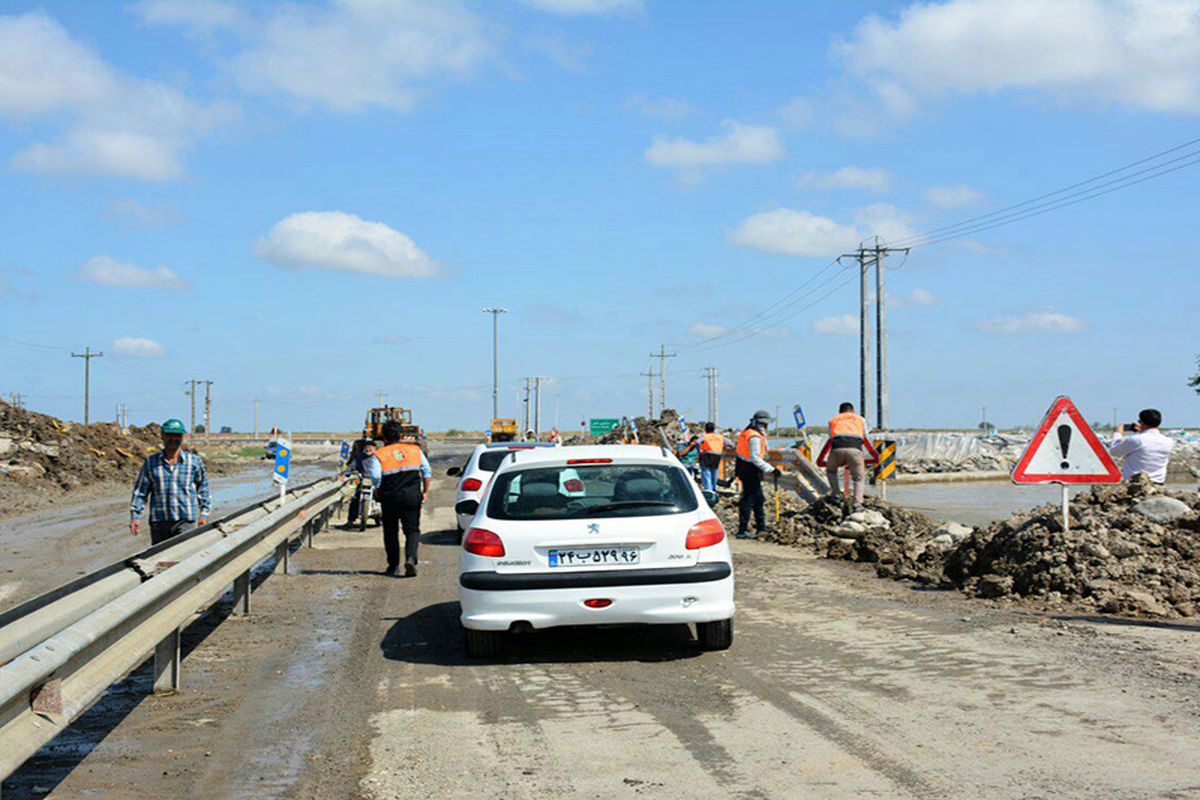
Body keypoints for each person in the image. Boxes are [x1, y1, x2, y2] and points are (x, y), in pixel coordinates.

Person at [130, 418, 211, 544]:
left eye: (177, 435)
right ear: (162, 435)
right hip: (159, 522)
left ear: (182, 437)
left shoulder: (194, 462)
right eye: (169, 435)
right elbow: (141, 491)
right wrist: (135, 516)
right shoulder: (151, 462)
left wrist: (204, 514)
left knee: (184, 556)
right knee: (160, 558)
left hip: (185, 521)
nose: (173, 439)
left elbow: (203, 488)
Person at [368, 420, 432, 577]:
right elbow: (427, 470)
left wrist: (377, 490)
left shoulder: (378, 455)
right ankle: (410, 559)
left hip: (390, 497)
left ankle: (393, 565)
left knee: (390, 531)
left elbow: (376, 476)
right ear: (401, 435)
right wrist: (425, 491)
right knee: (412, 530)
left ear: (384, 437)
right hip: (412, 496)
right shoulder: (415, 450)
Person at [735, 410, 777, 539]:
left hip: (744, 468)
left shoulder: (747, 433)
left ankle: (761, 527)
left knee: (758, 498)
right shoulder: (754, 436)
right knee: (748, 499)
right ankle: (743, 530)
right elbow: (755, 457)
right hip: (750, 470)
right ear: (762, 424)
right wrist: (772, 470)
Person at [1109, 408, 1174, 483]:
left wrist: (1117, 433)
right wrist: (1142, 432)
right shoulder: (1168, 441)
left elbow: (1114, 451)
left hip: (1135, 484)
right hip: (1158, 483)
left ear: (1141, 423)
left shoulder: (1136, 440)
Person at [826, 402, 870, 507]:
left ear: (839, 412)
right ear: (853, 411)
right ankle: (857, 503)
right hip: (855, 449)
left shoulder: (833, 420)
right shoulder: (860, 419)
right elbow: (865, 436)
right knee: (858, 478)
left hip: (837, 449)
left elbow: (831, 437)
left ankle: (836, 494)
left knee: (831, 470)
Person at [341, 439, 376, 527]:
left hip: (376, 481)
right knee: (355, 498)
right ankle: (350, 520)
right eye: (366, 447)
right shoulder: (360, 457)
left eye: (370, 447)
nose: (368, 449)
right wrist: (345, 474)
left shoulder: (378, 456)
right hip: (364, 480)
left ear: (374, 448)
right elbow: (352, 466)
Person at [698, 422, 731, 495]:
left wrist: (700, 450)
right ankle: (713, 487)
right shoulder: (720, 436)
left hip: (707, 454)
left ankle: (708, 489)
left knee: (706, 471)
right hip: (717, 455)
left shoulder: (705, 436)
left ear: (706, 429)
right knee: (714, 471)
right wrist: (724, 448)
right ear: (714, 429)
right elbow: (731, 444)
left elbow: (698, 442)